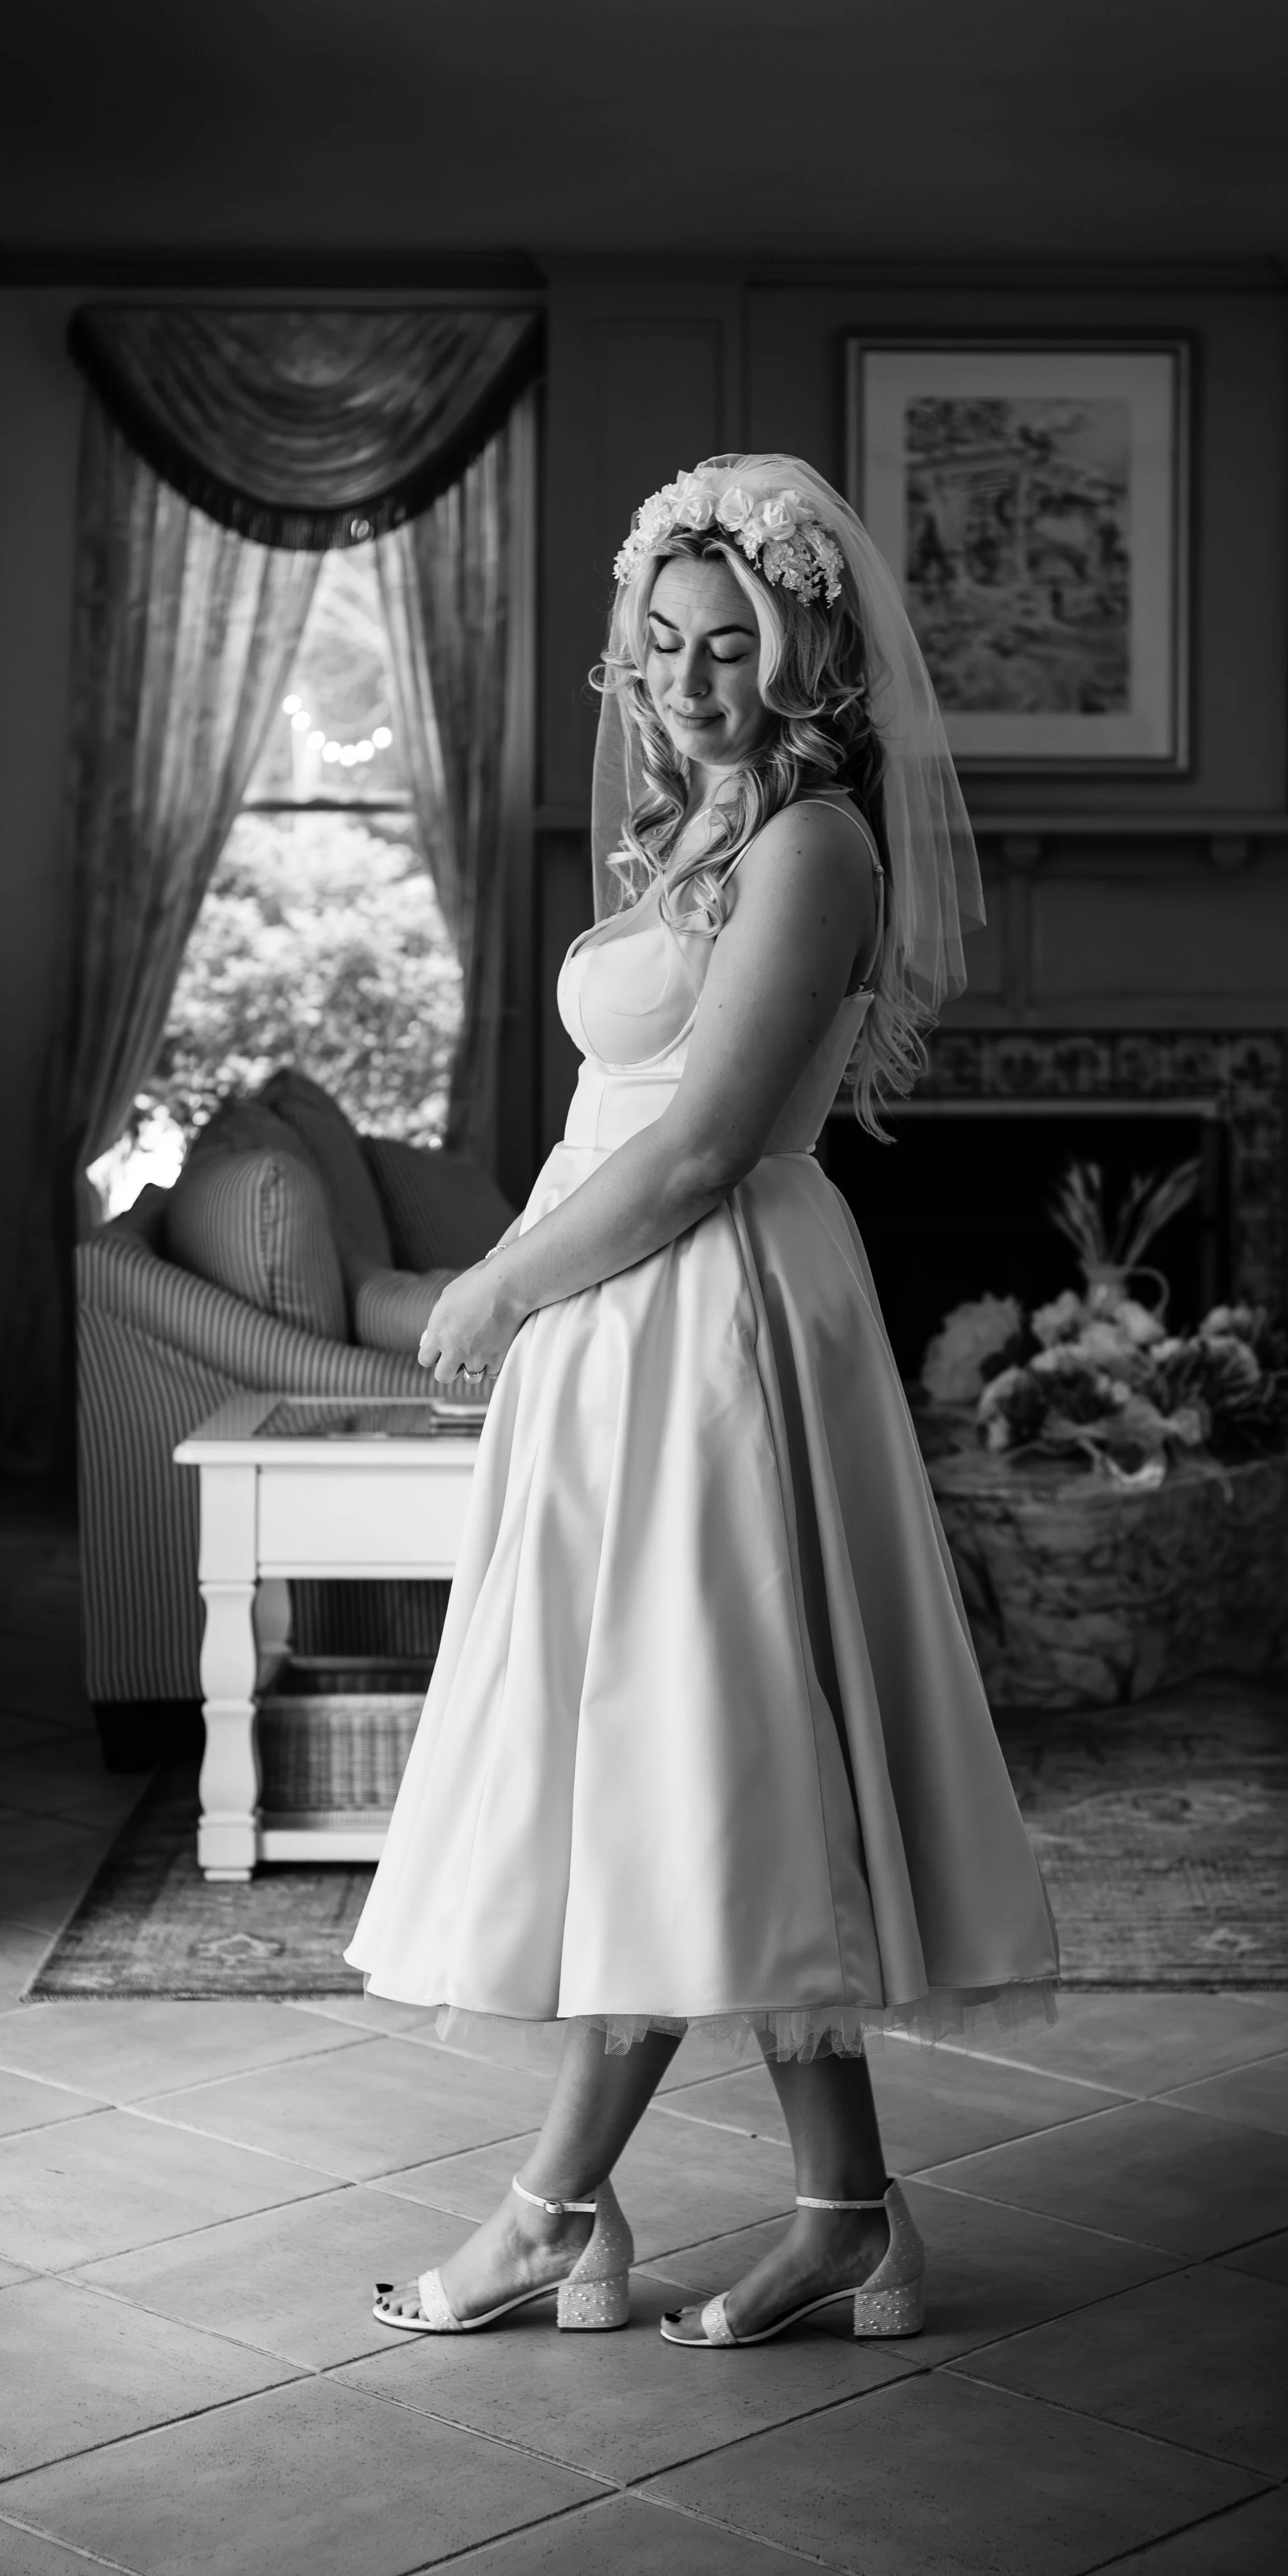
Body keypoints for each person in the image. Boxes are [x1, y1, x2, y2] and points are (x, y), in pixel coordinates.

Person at [348, 452, 1057, 2347]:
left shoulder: (810, 845)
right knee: (700, 1769)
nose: (685, 676)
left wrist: (498, 1282)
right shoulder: (695, 830)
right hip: (621, 1340)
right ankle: (842, 2210)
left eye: (728, 642)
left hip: (710, 1327)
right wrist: (520, 1307)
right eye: (659, 643)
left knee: (690, 1757)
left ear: (806, 643)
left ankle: (548, 2206)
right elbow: (613, 1119)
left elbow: (697, 1152)